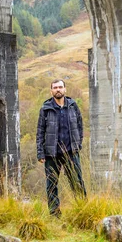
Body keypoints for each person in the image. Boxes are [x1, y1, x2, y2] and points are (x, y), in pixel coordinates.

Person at [36, 79, 87, 217]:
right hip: (52, 154)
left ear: (65, 89)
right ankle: (55, 214)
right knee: (51, 185)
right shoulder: (45, 109)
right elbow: (40, 131)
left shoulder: (72, 105)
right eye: (55, 87)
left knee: (77, 182)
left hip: (71, 152)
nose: (58, 89)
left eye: (60, 87)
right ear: (51, 91)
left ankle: (83, 210)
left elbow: (80, 126)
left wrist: (78, 144)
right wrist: (40, 153)